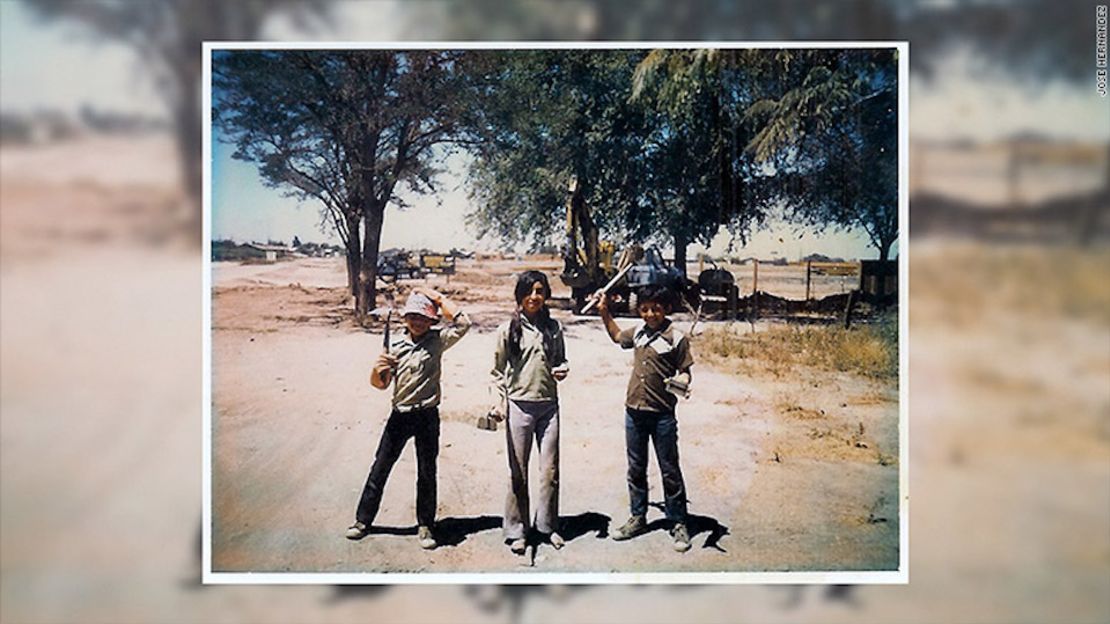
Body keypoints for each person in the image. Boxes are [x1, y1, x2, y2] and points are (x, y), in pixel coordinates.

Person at [345, 287, 471, 550]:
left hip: (427, 416)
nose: (417, 321)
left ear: (432, 320)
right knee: (380, 467)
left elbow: (463, 323)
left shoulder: (438, 341)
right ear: (405, 318)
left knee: (427, 472)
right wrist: (377, 370)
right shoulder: (395, 346)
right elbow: (381, 384)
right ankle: (363, 521)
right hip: (399, 416)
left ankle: (426, 525)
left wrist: (434, 296)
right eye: (412, 316)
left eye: (423, 317)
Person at [595, 284, 694, 552]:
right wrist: (604, 312)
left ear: (667, 309)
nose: (650, 314)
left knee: (669, 470)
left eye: (656, 309)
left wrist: (681, 382)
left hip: (662, 415)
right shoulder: (638, 332)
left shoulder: (677, 337)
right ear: (639, 309)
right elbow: (617, 336)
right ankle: (638, 517)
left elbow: (686, 372)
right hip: (633, 412)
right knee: (636, 469)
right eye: (645, 309)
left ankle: (678, 522)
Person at [488, 271, 569, 554]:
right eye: (529, 291)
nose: (535, 297)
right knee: (517, 473)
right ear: (520, 295)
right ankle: (517, 531)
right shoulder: (507, 329)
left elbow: (561, 360)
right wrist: (498, 404)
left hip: (549, 407)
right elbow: (497, 372)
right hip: (519, 408)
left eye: (540, 291)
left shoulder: (555, 328)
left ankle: (547, 527)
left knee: (550, 472)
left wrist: (563, 370)